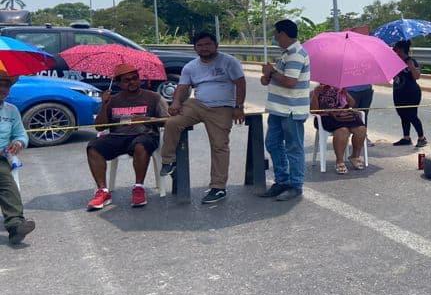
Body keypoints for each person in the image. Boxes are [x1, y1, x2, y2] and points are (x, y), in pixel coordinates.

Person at [160, 32, 246, 204]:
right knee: (172, 122)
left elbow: (240, 83)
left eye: (207, 44)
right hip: (197, 104)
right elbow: (183, 87)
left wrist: (238, 107)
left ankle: (218, 187)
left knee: (219, 145)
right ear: (195, 48)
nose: (204, 48)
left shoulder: (229, 62)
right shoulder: (191, 66)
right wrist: (176, 102)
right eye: (200, 45)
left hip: (222, 107)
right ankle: (169, 161)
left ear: (216, 45)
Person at [86, 64, 168, 210]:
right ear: (118, 83)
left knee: (140, 145)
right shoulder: (113, 100)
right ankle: (103, 192)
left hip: (145, 135)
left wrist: (146, 119)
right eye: (126, 80)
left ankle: (138, 188)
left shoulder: (154, 97)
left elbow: (167, 121)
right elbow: (99, 127)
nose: (132, 82)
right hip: (118, 136)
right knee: (93, 146)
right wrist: (104, 104)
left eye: (135, 78)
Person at [259, 19, 309, 201]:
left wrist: (271, 72)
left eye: (276, 34)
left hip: (291, 109)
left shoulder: (296, 54)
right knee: (273, 144)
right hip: (278, 108)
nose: (274, 37)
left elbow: (290, 82)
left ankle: (296, 185)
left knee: (293, 147)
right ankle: (282, 180)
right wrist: (268, 75)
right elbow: (275, 79)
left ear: (282, 34)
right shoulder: (286, 54)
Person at [0, 67, 35, 245]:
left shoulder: (11, 110)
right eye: (0, 83)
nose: (4, 89)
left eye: (7, 85)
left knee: (6, 181)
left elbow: (21, 134)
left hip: (1, 158)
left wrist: (19, 142)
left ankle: (15, 227)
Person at [311, 84, 367, 174]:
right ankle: (339, 161)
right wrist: (316, 94)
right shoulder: (318, 90)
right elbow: (314, 110)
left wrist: (345, 93)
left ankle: (355, 156)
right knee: (343, 130)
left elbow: (352, 104)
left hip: (344, 115)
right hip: (326, 117)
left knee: (361, 129)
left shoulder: (339, 88)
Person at [391, 40, 426, 147]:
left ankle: (422, 138)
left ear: (401, 50)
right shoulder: (394, 61)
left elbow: (417, 76)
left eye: (395, 49)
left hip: (411, 93)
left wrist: (411, 67)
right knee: (402, 115)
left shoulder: (411, 61)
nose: (394, 51)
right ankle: (406, 137)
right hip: (398, 92)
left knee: (412, 115)